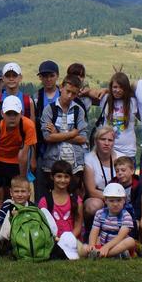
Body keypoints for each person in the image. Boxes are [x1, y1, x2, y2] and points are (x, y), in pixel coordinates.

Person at [0, 95, 37, 229]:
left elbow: (23, 155)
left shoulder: (28, 125)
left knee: (18, 196)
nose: (12, 117)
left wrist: (22, 181)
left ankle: (17, 231)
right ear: (2, 114)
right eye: (8, 114)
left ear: (21, 114)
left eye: (15, 114)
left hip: (17, 163)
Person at [37, 74, 88, 203]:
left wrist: (58, 134)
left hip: (75, 164)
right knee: (53, 198)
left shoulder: (78, 110)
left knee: (74, 198)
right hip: (53, 161)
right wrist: (72, 134)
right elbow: (47, 137)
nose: (70, 96)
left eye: (74, 93)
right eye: (68, 91)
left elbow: (83, 138)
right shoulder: (49, 110)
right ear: (61, 88)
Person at [82, 183, 137, 259]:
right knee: (85, 247)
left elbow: (120, 236)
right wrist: (92, 245)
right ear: (105, 201)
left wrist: (106, 247)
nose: (115, 204)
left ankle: (102, 254)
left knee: (130, 241)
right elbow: (94, 231)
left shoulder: (126, 216)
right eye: (111, 201)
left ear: (124, 200)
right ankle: (113, 255)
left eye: (119, 200)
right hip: (103, 243)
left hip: (118, 244)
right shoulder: (100, 213)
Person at [38, 160, 82, 249]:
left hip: (71, 241)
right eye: (59, 176)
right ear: (52, 177)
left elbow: (78, 226)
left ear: (70, 178)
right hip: (52, 242)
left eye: (66, 177)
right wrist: (55, 240)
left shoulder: (76, 200)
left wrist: (67, 240)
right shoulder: (44, 201)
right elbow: (42, 226)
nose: (62, 180)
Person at [97, 72, 139, 160]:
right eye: (115, 87)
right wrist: (105, 90)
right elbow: (90, 93)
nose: (118, 90)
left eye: (121, 87)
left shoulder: (133, 102)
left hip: (127, 151)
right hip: (108, 150)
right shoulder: (105, 99)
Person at [83, 126, 118, 226]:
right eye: (103, 139)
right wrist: (112, 200)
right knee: (94, 205)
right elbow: (91, 191)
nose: (106, 143)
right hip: (98, 197)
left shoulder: (121, 158)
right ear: (96, 141)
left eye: (110, 140)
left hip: (118, 196)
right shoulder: (89, 159)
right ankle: (89, 229)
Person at [32, 60, 61, 169]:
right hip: (42, 146)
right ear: (40, 77)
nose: (48, 79)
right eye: (45, 76)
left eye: (51, 76)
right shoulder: (36, 97)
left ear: (57, 76)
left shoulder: (63, 95)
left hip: (61, 145)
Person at [0, 175, 36, 242]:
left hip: (28, 238)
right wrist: (12, 218)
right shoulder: (6, 206)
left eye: (23, 191)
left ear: (29, 192)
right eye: (16, 191)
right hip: (8, 238)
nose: (20, 195)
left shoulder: (32, 207)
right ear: (11, 192)